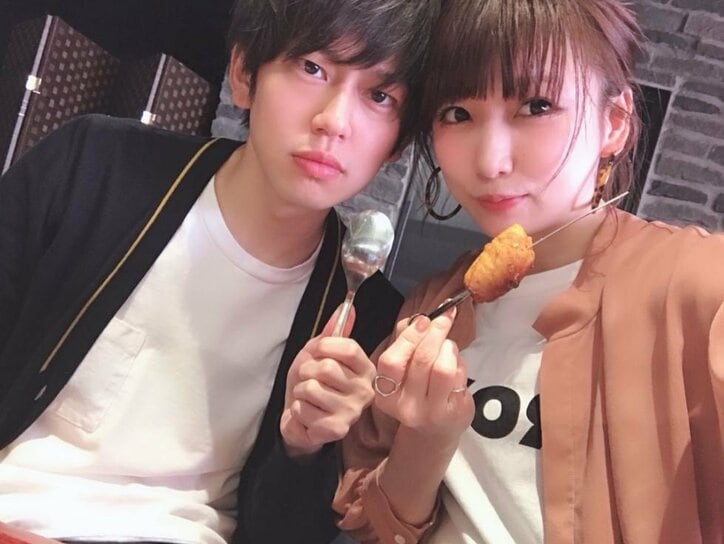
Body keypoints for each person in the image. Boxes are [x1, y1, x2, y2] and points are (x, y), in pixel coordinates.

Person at [0, 1, 441, 543]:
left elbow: (286, 534)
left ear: (398, 143)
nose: (335, 121)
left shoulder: (368, 317)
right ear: (243, 73)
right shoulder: (97, 166)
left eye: (379, 96)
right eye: (312, 68)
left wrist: (304, 446)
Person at [333, 1, 724, 543]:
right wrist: (424, 439)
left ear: (613, 123)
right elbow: (371, 526)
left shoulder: (701, 288)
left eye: (537, 106)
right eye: (457, 113)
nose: (490, 161)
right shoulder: (432, 304)